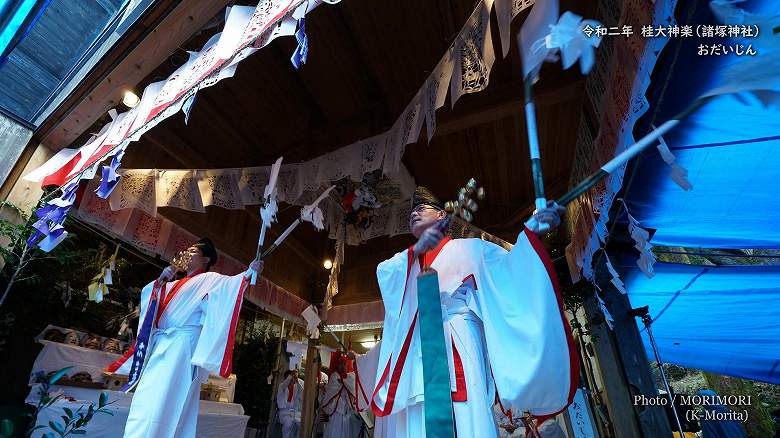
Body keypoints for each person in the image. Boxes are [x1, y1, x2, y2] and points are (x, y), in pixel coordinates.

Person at [353, 186, 578, 437]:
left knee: (465, 414)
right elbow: (385, 274)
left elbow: (510, 270)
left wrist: (533, 229)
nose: (414, 214)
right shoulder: (403, 263)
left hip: (457, 341)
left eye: (421, 208)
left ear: (441, 216)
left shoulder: (470, 249)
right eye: (411, 212)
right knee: (415, 413)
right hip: (415, 351)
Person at [106, 238, 262, 437]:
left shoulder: (211, 280)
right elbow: (152, 307)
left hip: (182, 348)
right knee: (147, 400)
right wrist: (160, 283)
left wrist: (250, 273)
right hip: (161, 346)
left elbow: (231, 286)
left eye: (193, 251)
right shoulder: (173, 283)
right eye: (186, 251)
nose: (187, 255)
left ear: (206, 259)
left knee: (169, 400)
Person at [320, 352, 361, 438]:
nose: (343, 366)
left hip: (347, 411)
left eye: (344, 364)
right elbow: (331, 391)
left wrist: (343, 381)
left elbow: (352, 388)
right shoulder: (334, 376)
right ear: (337, 366)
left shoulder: (350, 377)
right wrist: (344, 382)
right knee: (335, 432)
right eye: (340, 364)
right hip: (336, 411)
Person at [277, 369, 304, 438]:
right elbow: (285, 384)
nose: (292, 380)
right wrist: (291, 376)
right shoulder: (282, 386)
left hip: (296, 412)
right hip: (285, 413)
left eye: (293, 378)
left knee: (302, 424)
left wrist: (297, 379)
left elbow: (303, 392)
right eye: (289, 378)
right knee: (289, 422)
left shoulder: (297, 385)